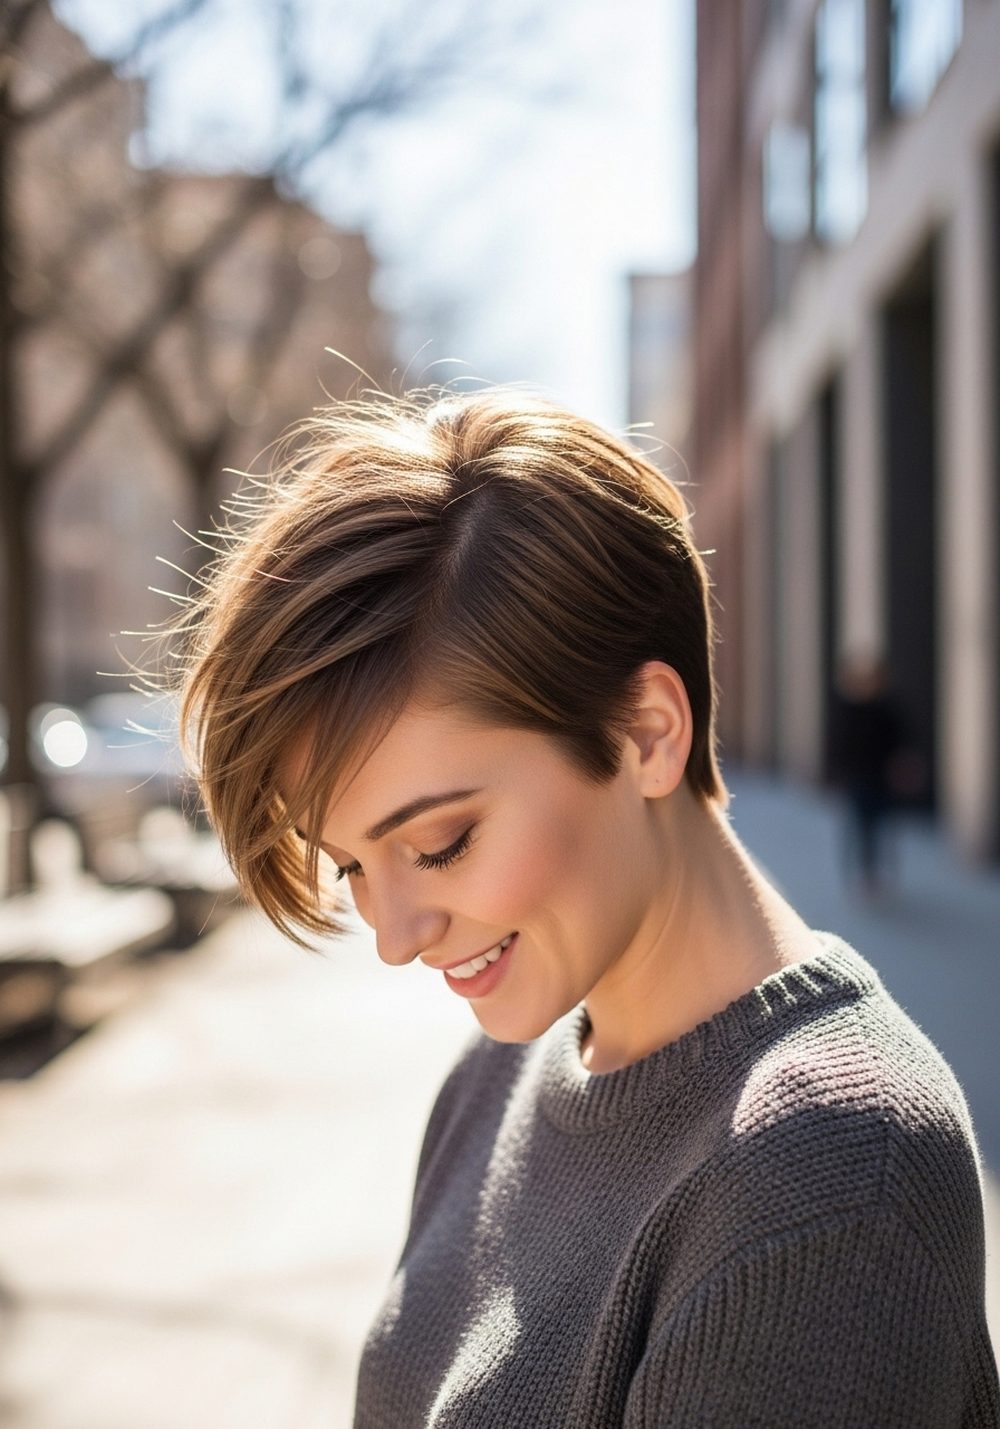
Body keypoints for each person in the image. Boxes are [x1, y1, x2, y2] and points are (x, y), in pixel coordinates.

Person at [173, 387, 999, 1427]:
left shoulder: (828, 1173)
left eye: (439, 844)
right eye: (350, 867)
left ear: (647, 732)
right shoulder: (496, 1076)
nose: (394, 937)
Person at [827, 652, 922, 900]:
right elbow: (839, 744)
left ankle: (881, 874)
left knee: (883, 829)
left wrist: (903, 768)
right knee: (861, 828)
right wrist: (837, 775)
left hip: (882, 779)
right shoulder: (849, 709)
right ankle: (865, 875)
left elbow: (901, 742)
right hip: (858, 779)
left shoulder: (886, 708)